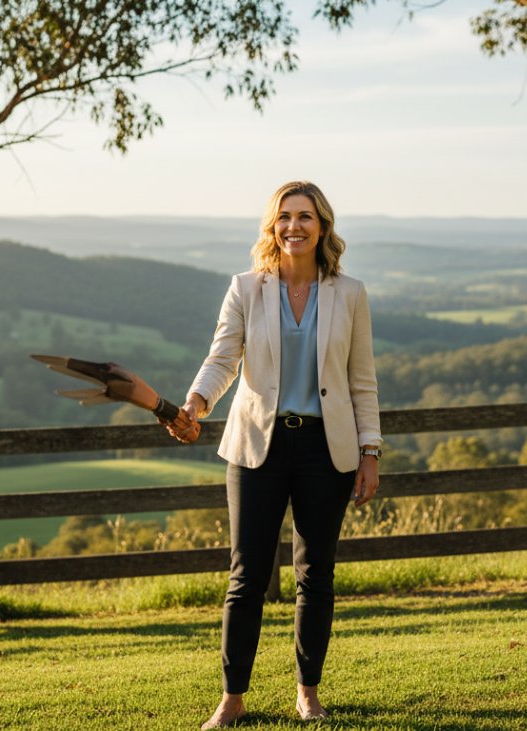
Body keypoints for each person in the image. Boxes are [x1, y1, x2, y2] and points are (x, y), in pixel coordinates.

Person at [167, 180, 381, 728]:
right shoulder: (246, 288)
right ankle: (232, 699)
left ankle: (308, 694)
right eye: (285, 216)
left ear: (322, 226)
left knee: (316, 575)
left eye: (305, 216)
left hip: (325, 449)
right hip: (255, 446)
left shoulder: (350, 293)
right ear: (273, 226)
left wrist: (369, 450)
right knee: (246, 577)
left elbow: (362, 380)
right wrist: (196, 402)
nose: (294, 226)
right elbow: (222, 359)